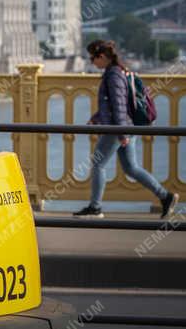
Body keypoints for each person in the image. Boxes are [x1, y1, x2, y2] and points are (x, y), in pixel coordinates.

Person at [74, 40, 178, 219]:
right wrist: (97, 117)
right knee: (131, 168)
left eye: (93, 58)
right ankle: (165, 196)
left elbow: (119, 105)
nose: (92, 62)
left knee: (98, 165)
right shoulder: (117, 71)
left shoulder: (113, 75)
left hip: (118, 128)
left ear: (102, 56)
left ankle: (95, 208)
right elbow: (113, 105)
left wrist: (121, 133)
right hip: (126, 126)